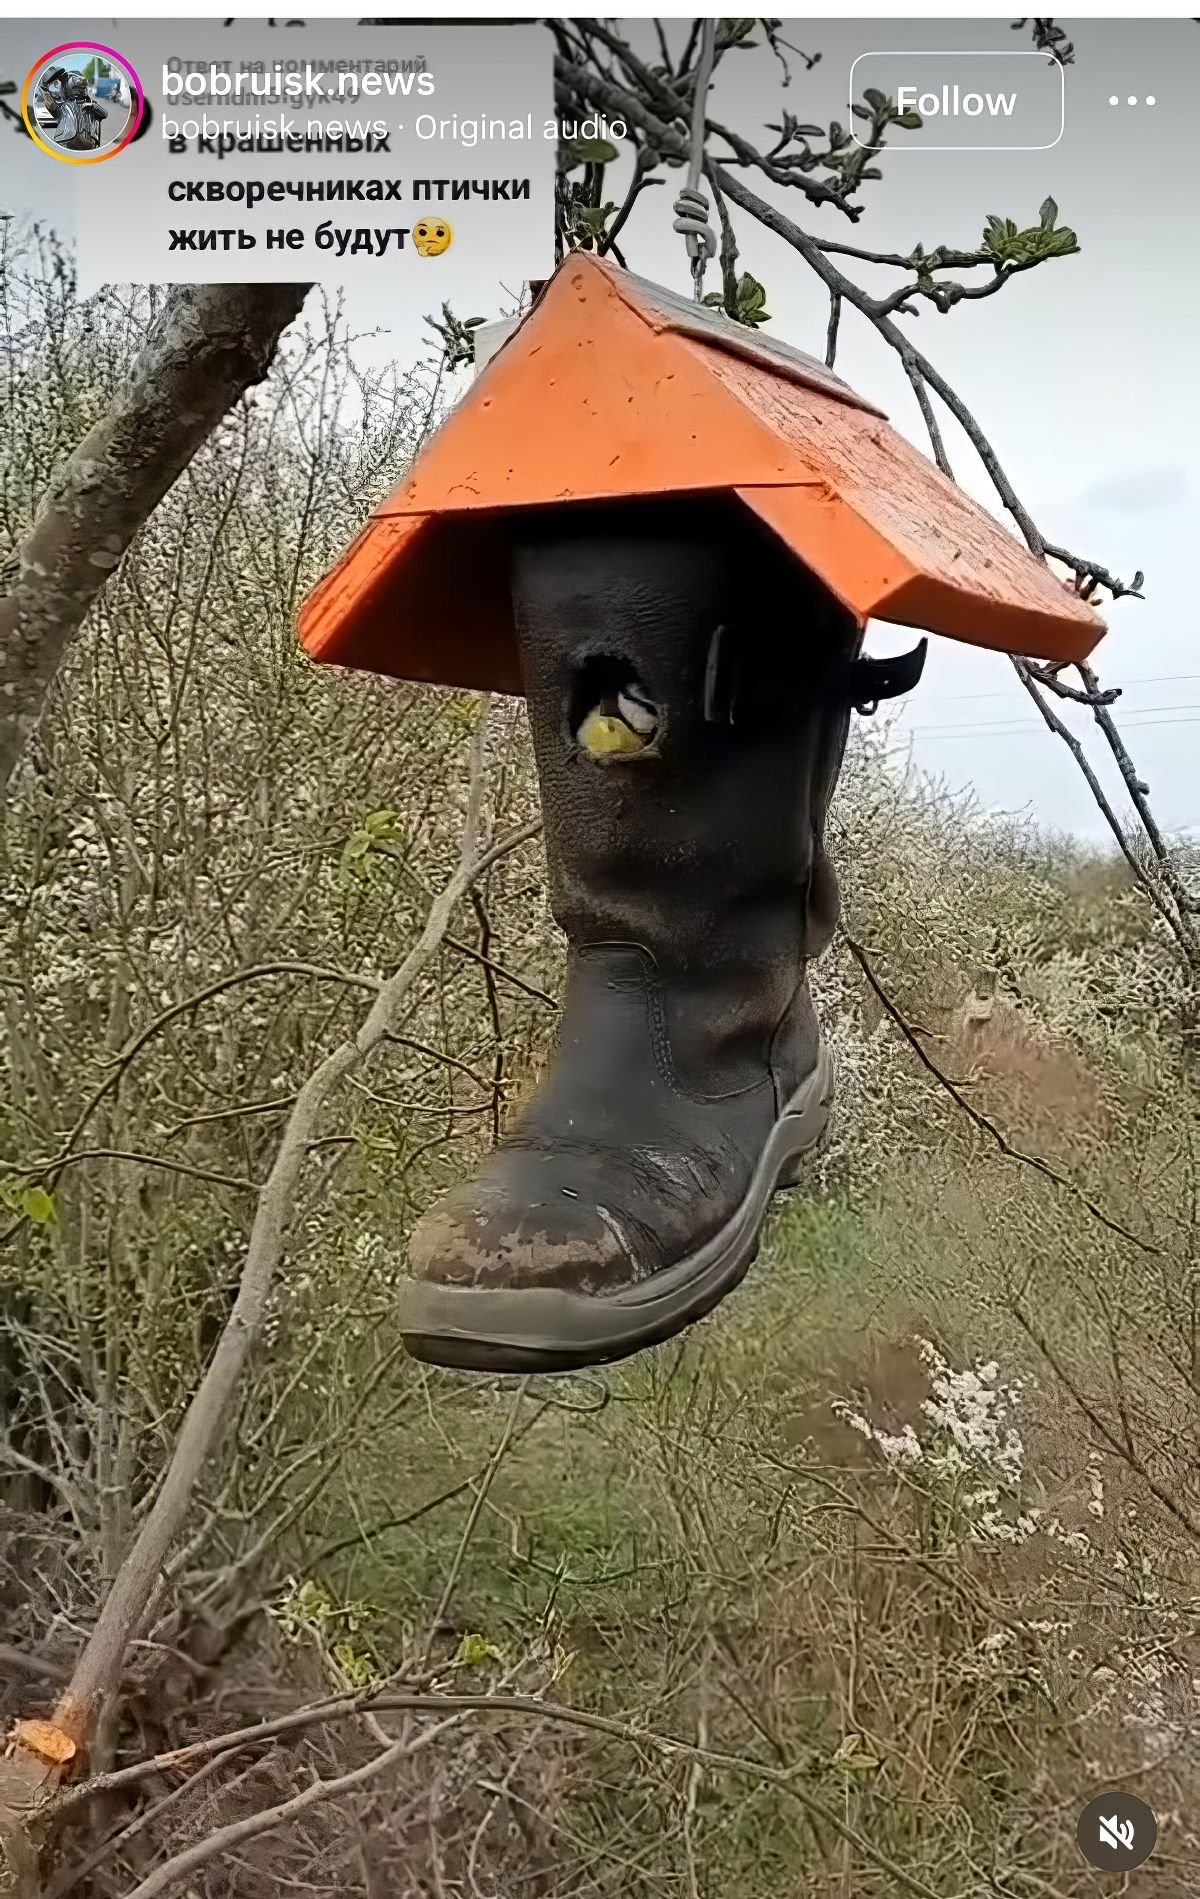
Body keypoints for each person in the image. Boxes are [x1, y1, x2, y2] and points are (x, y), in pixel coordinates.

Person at [36, 67, 107, 153]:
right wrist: (44, 89)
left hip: (89, 142)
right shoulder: (63, 106)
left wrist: (93, 106)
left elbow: (104, 114)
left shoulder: (91, 104)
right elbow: (50, 104)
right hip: (66, 140)